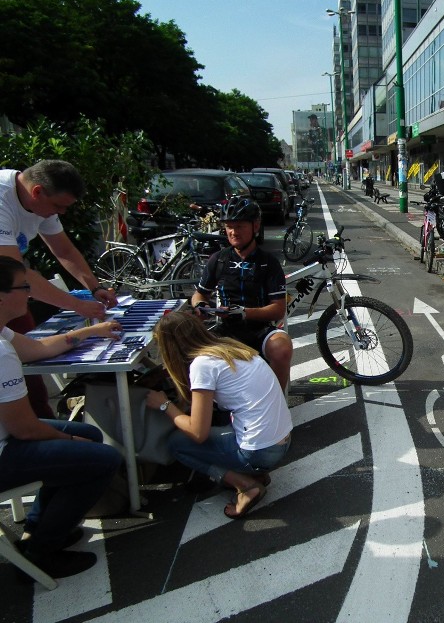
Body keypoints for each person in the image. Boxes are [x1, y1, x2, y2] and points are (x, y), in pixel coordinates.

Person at [0, 256, 122, 580]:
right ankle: (42, 553)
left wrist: (92, 331)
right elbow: (25, 429)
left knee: (90, 436)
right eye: (23, 287)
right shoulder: (0, 352)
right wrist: (70, 440)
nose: (29, 294)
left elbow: (39, 350)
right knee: (104, 458)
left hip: (6, 436)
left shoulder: (4, 336)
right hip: (5, 448)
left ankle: (39, 528)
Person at [0, 160, 119, 419]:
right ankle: (31, 433)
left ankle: (43, 425)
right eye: (58, 207)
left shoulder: (42, 203)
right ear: (37, 191)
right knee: (16, 367)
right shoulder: (1, 199)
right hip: (5, 285)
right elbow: (15, 272)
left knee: (31, 362)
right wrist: (77, 304)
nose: (61, 213)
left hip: (7, 288)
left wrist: (94, 287)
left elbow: (64, 250)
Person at [145, 312, 292, 520]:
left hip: (261, 452)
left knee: (177, 443)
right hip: (282, 441)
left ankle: (245, 485)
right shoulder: (228, 347)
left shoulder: (202, 365)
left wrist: (164, 405)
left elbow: (198, 433)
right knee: (224, 418)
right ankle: (256, 472)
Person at [191, 197, 293, 393]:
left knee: (282, 348)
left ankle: (275, 404)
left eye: (239, 226)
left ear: (255, 226)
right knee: (189, 350)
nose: (233, 232)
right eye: (229, 226)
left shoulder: (268, 263)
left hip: (259, 330)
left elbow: (279, 309)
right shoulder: (218, 260)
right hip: (225, 330)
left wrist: (244, 312)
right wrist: (200, 306)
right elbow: (199, 295)